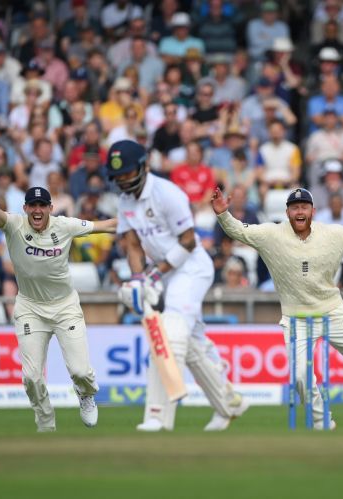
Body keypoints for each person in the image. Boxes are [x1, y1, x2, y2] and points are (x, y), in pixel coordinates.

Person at [211, 186, 343, 431]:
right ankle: (322, 422)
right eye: (295, 208)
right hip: (296, 317)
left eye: (304, 207)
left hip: (332, 310)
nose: (300, 212)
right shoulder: (270, 234)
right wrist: (224, 214)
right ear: (287, 212)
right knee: (300, 377)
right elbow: (237, 230)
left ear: (313, 211)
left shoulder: (332, 234)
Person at [106, 140, 248, 432]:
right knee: (192, 343)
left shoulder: (167, 193)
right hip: (164, 272)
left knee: (170, 333)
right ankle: (229, 403)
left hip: (191, 267)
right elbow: (132, 245)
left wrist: (154, 275)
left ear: (143, 167)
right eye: (117, 176)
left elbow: (187, 241)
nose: (122, 180)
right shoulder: (124, 202)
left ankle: (158, 416)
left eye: (127, 173)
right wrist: (137, 279)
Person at [0, 153, 117, 432]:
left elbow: (105, 226)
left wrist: (135, 222)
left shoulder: (65, 225)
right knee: (32, 377)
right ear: (25, 208)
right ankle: (46, 421)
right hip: (30, 307)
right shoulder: (14, 224)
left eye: (42, 205)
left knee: (80, 371)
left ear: (50, 207)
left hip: (64, 306)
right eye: (32, 205)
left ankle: (85, 394)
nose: (37, 210)